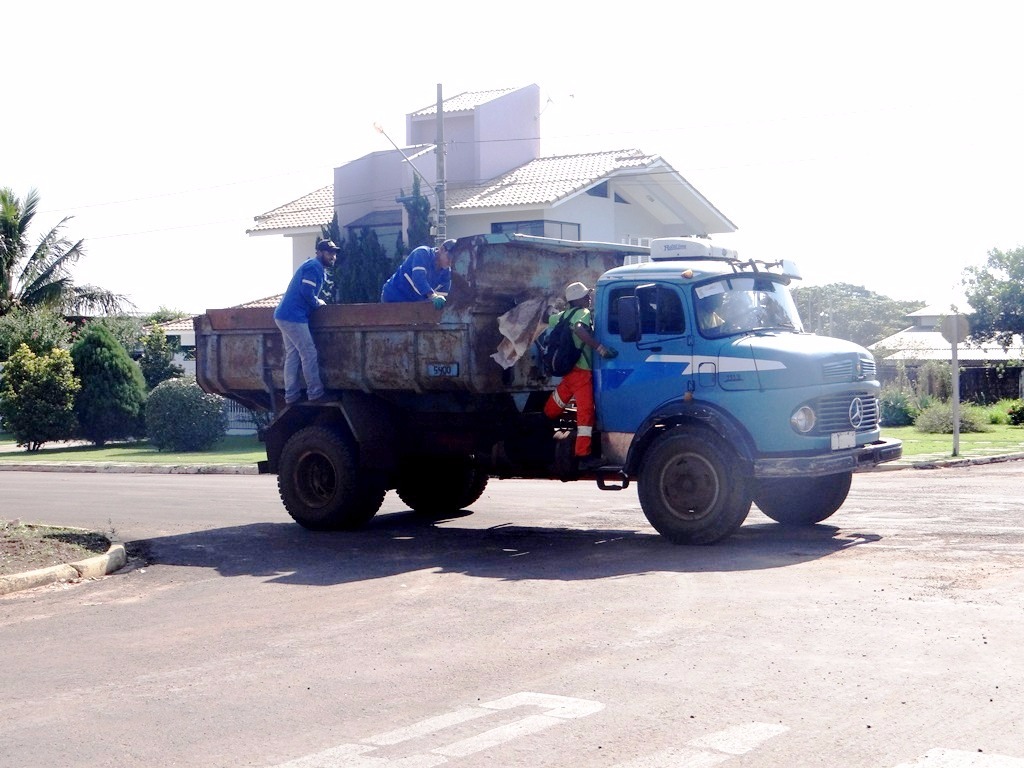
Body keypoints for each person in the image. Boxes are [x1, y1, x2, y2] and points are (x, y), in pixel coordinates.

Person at [543, 281, 618, 466]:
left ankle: (542, 421)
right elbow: (578, 328)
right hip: (582, 371)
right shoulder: (582, 313)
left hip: (570, 370)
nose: (589, 297)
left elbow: (547, 319)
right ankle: (583, 455)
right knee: (585, 415)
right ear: (578, 300)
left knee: (559, 400)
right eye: (586, 296)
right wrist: (600, 349)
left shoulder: (563, 316)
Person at [273, 238, 338, 405]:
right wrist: (318, 303)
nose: (333, 256)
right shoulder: (313, 267)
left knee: (293, 354)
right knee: (308, 353)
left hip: (284, 315)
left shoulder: (312, 266)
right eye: (329, 253)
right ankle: (315, 393)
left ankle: (291, 396)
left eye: (334, 253)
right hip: (294, 317)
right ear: (319, 252)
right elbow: (306, 292)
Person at [380, 239, 455, 308]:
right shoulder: (422, 253)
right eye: (449, 257)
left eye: (455, 259)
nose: (451, 262)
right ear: (441, 249)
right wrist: (433, 296)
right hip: (395, 297)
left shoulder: (447, 274)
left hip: (414, 303)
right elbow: (418, 279)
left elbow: (443, 296)